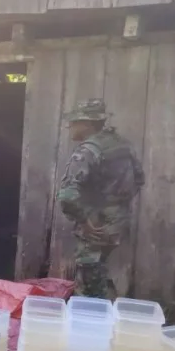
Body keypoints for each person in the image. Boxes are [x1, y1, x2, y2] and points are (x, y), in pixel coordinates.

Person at [57, 98, 144, 299]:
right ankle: (108, 308)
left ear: (88, 124)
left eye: (75, 122)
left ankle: (93, 314)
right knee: (98, 271)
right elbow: (139, 179)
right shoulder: (123, 145)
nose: (70, 126)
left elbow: (67, 196)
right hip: (117, 221)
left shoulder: (88, 151)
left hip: (97, 224)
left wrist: (84, 220)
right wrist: (116, 205)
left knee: (88, 284)